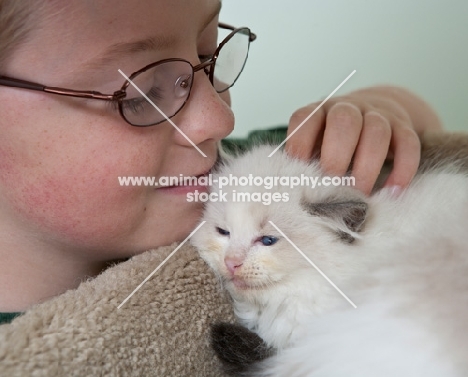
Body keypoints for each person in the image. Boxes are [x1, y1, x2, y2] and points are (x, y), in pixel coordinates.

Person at [0, 0, 442, 322]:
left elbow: (420, 120)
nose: (221, 119)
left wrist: (370, 110)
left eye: (210, 58)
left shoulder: (235, 181)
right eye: (143, 95)